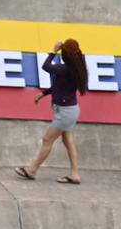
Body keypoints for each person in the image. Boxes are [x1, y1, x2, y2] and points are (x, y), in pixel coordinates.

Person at [15, 39, 88, 184]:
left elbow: (45, 66)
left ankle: (32, 170)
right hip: (69, 110)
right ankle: (74, 174)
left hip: (65, 112)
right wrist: (44, 94)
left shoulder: (65, 68)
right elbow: (59, 87)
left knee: (47, 140)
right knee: (68, 142)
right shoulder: (74, 68)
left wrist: (53, 51)